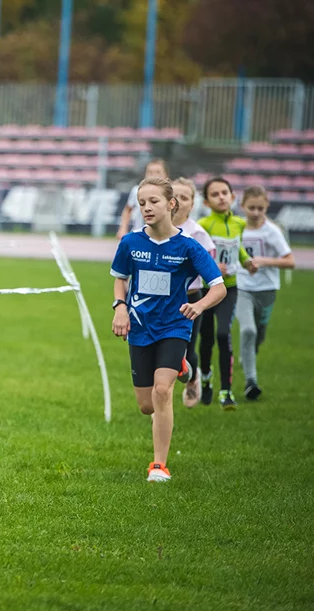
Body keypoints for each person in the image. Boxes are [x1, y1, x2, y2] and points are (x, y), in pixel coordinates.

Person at [111, 177, 226, 482]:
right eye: (142, 203)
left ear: (171, 204)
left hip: (175, 327)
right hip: (139, 327)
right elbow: (120, 278)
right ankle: (185, 369)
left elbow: (218, 287)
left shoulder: (189, 246)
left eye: (154, 202)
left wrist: (198, 307)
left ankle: (159, 466)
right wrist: (119, 307)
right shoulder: (131, 242)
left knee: (163, 392)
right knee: (146, 406)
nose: (147, 208)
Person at [197, 177, 258, 410]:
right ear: (206, 201)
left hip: (229, 288)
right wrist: (212, 266)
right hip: (206, 288)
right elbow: (197, 255)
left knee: (223, 335)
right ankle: (205, 379)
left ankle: (226, 391)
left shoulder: (239, 224)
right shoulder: (204, 224)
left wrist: (247, 261)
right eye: (215, 194)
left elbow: (237, 247)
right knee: (207, 338)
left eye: (225, 192)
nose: (221, 197)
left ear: (233, 197)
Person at [235, 186, 295, 401]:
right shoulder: (236, 227)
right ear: (242, 207)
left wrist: (265, 261)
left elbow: (290, 261)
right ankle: (251, 382)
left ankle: (248, 353)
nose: (256, 212)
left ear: (266, 207)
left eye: (260, 208)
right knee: (248, 330)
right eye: (251, 207)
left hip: (267, 289)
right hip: (241, 288)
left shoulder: (272, 231)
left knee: (258, 334)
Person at [171, 177, 216, 408]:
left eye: (185, 197)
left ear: (192, 204)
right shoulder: (152, 229)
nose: (179, 201)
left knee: (188, 350)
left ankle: (193, 379)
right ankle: (160, 397)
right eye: (175, 195)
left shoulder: (198, 234)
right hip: (162, 301)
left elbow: (211, 271)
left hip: (190, 300)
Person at [116, 159, 169, 239]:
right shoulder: (136, 191)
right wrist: (123, 228)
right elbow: (128, 210)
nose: (153, 175)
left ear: (165, 174)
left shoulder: (170, 193)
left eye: (158, 172)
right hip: (139, 235)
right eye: (150, 172)